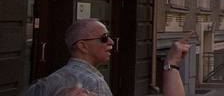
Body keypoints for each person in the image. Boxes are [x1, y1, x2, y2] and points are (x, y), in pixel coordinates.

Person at [25, 19, 191, 96]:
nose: (111, 42)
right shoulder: (92, 83)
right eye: (104, 38)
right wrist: (171, 63)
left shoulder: (53, 79)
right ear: (82, 45)